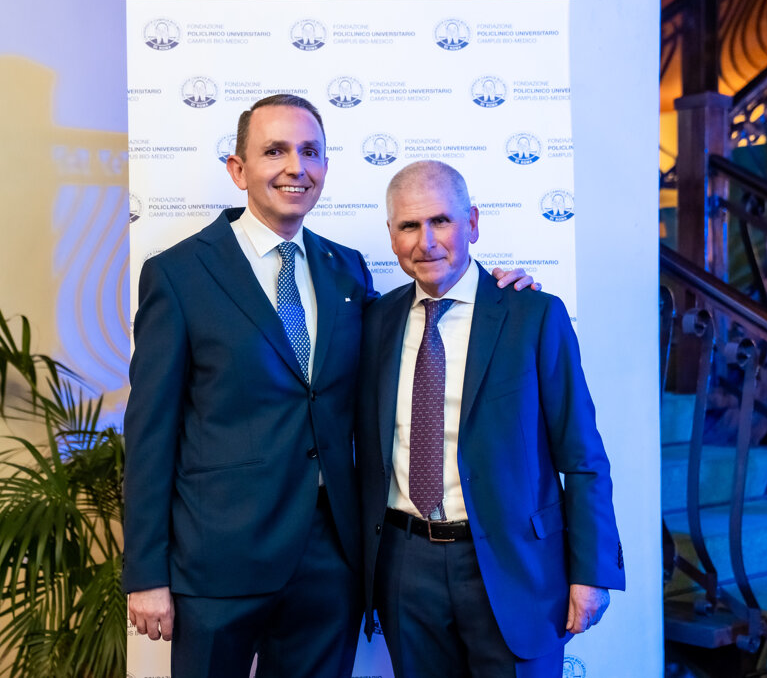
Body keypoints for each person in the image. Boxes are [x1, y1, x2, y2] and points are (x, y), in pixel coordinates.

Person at [123, 96, 534, 678]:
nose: (296, 166)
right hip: (216, 563)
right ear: (238, 169)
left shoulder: (347, 269)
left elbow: (413, 331)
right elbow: (150, 435)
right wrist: (145, 573)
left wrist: (495, 293)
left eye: (310, 151)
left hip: (329, 561)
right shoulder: (179, 274)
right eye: (275, 151)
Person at [356, 160, 625, 677]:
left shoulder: (533, 315)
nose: (426, 242)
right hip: (405, 566)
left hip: (516, 567)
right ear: (391, 236)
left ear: (473, 223)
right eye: (409, 226)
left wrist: (592, 571)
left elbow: (583, 455)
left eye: (441, 221)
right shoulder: (374, 322)